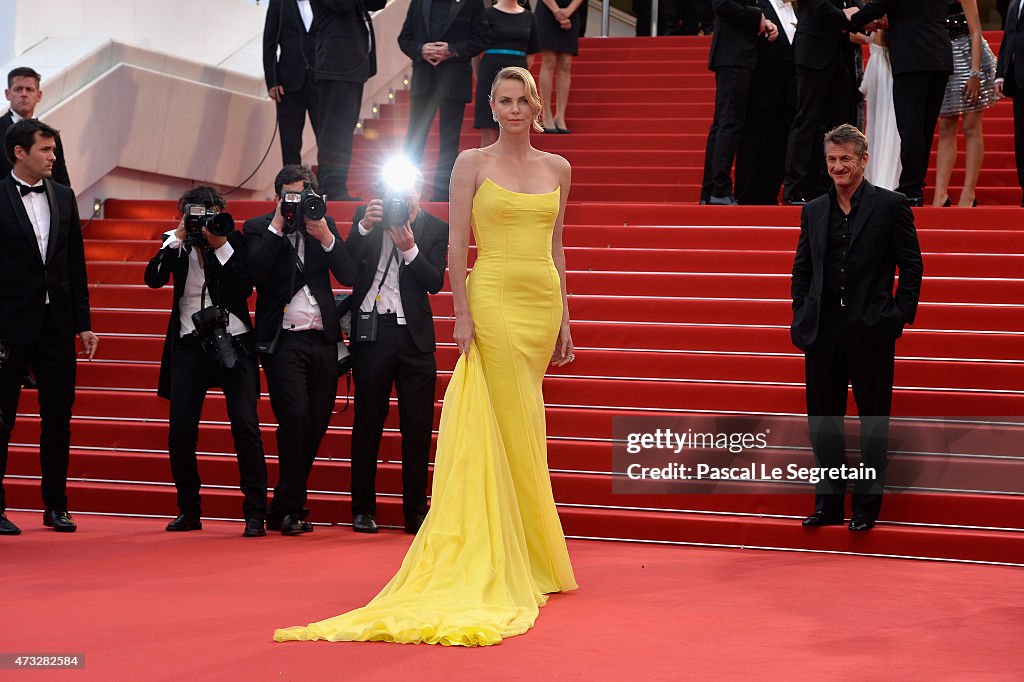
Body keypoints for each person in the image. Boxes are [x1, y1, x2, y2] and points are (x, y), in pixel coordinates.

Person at [274, 66, 577, 645]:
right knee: (510, 420)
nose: (514, 110)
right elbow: (459, 245)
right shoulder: (472, 163)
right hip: (492, 298)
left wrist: (566, 313)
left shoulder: (558, 168)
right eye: (505, 101)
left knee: (524, 424)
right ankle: (516, 552)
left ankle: (533, 551)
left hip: (540, 301)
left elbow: (556, 244)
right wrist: (462, 314)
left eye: (523, 101)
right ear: (492, 106)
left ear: (536, 107)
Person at [790, 124, 923, 532]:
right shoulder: (813, 209)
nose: (838, 167)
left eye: (845, 159)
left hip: (871, 330)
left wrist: (897, 315)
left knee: (873, 422)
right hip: (823, 332)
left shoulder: (890, 205)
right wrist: (801, 313)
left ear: (863, 160)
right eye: (832, 160)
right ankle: (828, 505)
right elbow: (802, 269)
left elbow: (912, 264)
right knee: (824, 422)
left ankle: (866, 507)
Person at [144, 187, 269, 536]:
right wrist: (179, 237)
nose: (204, 220)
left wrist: (220, 245)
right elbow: (152, 279)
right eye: (196, 214)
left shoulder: (235, 242)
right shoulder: (176, 242)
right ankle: (189, 509)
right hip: (188, 343)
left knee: (245, 425)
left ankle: (256, 511)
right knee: (181, 430)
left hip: (235, 341)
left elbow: (243, 287)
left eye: (210, 212)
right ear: (184, 215)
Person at [244, 165, 356, 535]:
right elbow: (254, 275)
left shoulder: (321, 223)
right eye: (289, 196)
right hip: (283, 341)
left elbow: (350, 274)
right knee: (295, 418)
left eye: (303, 196)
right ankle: (291, 507)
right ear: (277, 197)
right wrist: (278, 225)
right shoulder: (260, 228)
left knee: (317, 423)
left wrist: (325, 235)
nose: (297, 203)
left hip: (323, 340)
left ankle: (283, 505)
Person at [0, 119, 98, 535]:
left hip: (56, 326)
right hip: (8, 327)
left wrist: (84, 324)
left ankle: (56, 505)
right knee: (1, 419)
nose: (53, 157)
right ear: (21, 152)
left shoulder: (62, 194)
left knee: (58, 417)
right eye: (45, 150)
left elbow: (74, 264)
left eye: (54, 150)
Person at [346, 168, 449, 535]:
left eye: (410, 194)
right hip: (372, 334)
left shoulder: (436, 228)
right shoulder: (367, 218)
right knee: (367, 423)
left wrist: (409, 248)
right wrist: (362, 229)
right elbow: (345, 270)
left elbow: (435, 282)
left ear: (420, 192)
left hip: (414, 339)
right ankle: (362, 508)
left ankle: (416, 512)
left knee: (418, 428)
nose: (402, 203)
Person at [847, 0, 954, 207]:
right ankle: (914, 186)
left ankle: (911, 188)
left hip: (913, 57)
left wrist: (852, 20)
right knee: (924, 128)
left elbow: (879, 5)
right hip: (938, 56)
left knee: (911, 127)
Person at [397, 0, 489, 202]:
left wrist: (452, 49)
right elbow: (404, 38)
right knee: (414, 137)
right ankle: (405, 191)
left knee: (449, 139)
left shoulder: (471, 3)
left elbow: (482, 37)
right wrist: (422, 50)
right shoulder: (419, 2)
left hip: (454, 79)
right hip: (423, 78)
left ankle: (442, 194)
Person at [699, 0, 778, 205]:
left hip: (736, 53)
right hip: (734, 54)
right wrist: (757, 16)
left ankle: (710, 190)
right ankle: (718, 188)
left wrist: (762, 20)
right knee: (729, 123)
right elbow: (723, 5)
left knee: (723, 124)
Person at [781, 1, 858, 205]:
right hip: (813, 53)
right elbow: (821, 6)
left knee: (835, 123)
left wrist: (859, 14)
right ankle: (794, 188)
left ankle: (826, 186)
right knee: (807, 121)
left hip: (838, 55)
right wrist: (854, 18)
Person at [309, 0, 387, 201]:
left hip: (353, 68)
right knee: (333, 132)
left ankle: (338, 186)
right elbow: (342, 5)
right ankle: (329, 187)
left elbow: (378, 3)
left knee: (344, 131)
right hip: (335, 66)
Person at [932, 1, 997, 207]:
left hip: (969, 58)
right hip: (941, 57)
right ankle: (940, 194)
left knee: (971, 126)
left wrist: (975, 73)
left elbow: (976, 30)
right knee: (945, 126)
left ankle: (968, 193)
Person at [735, 0, 796, 205]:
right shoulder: (759, 7)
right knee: (754, 142)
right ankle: (746, 194)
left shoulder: (797, 11)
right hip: (761, 88)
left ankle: (768, 194)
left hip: (789, 92)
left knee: (779, 144)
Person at [474, 0, 539, 148]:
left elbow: (531, 54)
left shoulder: (530, 17)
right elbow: (476, 52)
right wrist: (480, 78)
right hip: (489, 73)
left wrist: (520, 77)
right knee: (488, 130)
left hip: (518, 75)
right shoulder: (486, 14)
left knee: (517, 131)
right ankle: (487, 171)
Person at [263, 0, 319, 167]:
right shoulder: (279, 3)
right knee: (290, 144)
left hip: (322, 83)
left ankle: (326, 189)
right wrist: (272, 81)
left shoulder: (327, 3)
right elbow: (269, 43)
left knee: (328, 141)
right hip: (288, 85)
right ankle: (292, 188)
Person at [1, 67, 71, 187]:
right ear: (7, 94)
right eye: (18, 89)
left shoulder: (52, 136)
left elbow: (61, 177)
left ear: (39, 95)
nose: (23, 94)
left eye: (29, 89)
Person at [860, 30, 901, 190]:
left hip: (889, 60)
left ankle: (885, 182)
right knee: (878, 125)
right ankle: (878, 181)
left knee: (890, 124)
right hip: (880, 60)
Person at [536, 0, 586, 133]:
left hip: (571, 12)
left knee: (566, 63)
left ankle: (560, 116)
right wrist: (556, 11)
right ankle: (546, 114)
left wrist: (569, 10)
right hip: (548, 10)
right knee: (549, 61)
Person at [996, 0, 1024, 206]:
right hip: (1018, 81)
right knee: (1021, 141)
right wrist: (1000, 74)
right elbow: (1009, 38)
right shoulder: (1015, 3)